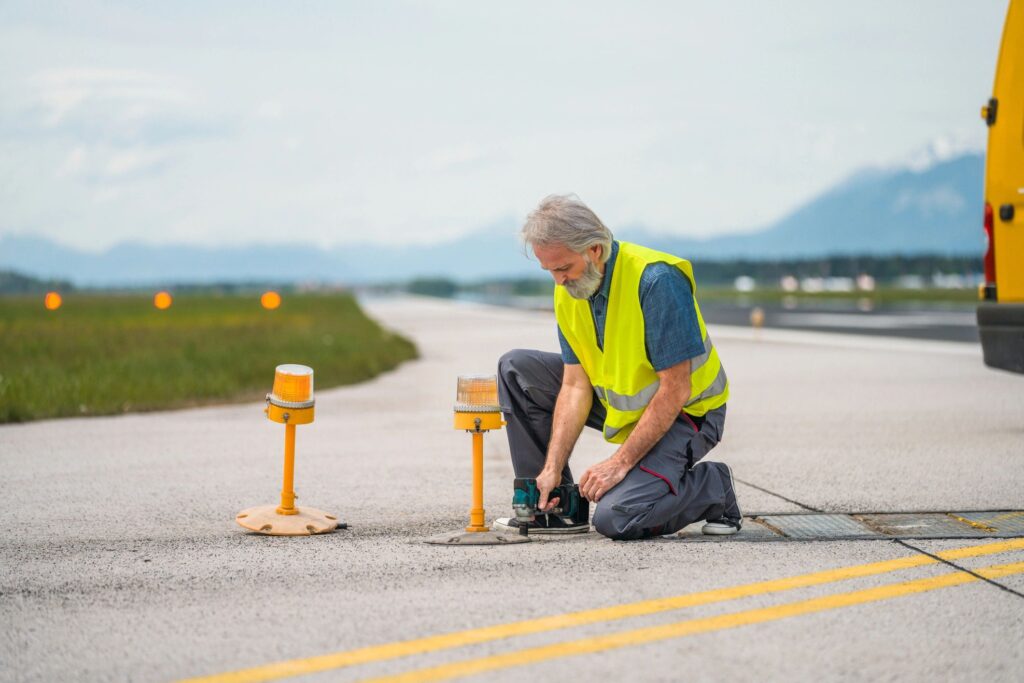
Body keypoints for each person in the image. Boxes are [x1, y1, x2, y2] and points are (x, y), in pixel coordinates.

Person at [494, 194, 741, 540]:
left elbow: (676, 388)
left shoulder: (657, 282)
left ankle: (713, 488)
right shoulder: (571, 289)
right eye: (549, 270)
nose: (558, 281)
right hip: (627, 407)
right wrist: (550, 467)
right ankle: (557, 508)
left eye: (563, 268)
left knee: (618, 517)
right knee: (516, 370)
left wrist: (619, 464)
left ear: (595, 249)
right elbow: (575, 385)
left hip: (689, 413)